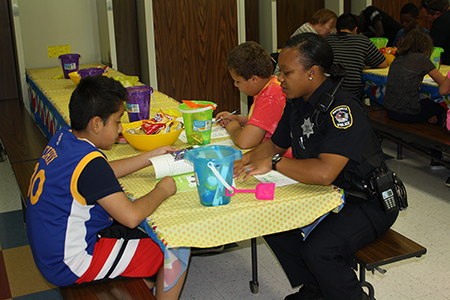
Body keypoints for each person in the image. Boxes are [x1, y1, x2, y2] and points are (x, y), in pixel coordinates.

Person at [234, 32, 398, 300]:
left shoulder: (342, 109)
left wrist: (274, 164)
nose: (279, 79)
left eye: (286, 72)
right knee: (270, 224)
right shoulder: (298, 102)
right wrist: (244, 161)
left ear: (312, 72)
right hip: (329, 194)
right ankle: (318, 287)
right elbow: (275, 144)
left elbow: (323, 172)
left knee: (319, 250)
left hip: (367, 200)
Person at [26, 76, 188, 299]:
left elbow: (101, 172)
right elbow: (130, 217)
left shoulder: (65, 137)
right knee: (176, 243)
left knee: (147, 231)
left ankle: (143, 280)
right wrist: (164, 189)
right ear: (96, 124)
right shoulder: (90, 164)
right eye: (117, 121)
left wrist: (149, 157)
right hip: (72, 263)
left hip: (53, 250)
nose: (121, 129)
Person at [216, 41, 289, 154]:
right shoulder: (269, 86)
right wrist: (238, 120)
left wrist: (233, 127)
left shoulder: (270, 96)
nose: (235, 85)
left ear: (254, 79)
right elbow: (263, 123)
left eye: (237, 81)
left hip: (278, 157)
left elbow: (245, 142)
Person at [384, 28, 446, 125]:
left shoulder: (397, 59)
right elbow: (443, 83)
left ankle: (431, 119)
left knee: (429, 104)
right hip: (407, 113)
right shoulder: (421, 58)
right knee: (441, 104)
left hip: (390, 111)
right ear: (425, 45)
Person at [325, 13, 387, 101]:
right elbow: (383, 63)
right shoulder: (363, 41)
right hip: (353, 94)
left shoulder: (328, 39)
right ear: (355, 30)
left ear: (336, 29)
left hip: (329, 92)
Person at [274, 8, 337, 75]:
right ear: (320, 22)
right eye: (330, 27)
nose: (331, 32)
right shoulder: (310, 36)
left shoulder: (306, 29)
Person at [420, 0, 450, 65]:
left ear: (437, 14)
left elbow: (433, 50)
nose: (425, 19)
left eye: (426, 17)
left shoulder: (440, 23)